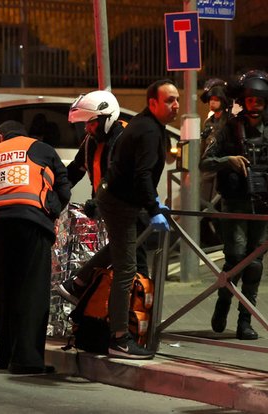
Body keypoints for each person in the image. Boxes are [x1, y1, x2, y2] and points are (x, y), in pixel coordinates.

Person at [95, 79, 179, 359]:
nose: (175, 105)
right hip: (120, 204)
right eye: (169, 100)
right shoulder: (149, 131)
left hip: (115, 199)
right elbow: (142, 174)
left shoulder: (146, 124)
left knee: (121, 248)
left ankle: (78, 283)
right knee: (126, 271)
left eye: (177, 99)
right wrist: (153, 209)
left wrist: (152, 203)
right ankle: (119, 339)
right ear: (153, 102)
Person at [0, 120, 70, 374]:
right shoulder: (42, 148)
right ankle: (27, 360)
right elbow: (63, 187)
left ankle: (5, 355)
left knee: (3, 290)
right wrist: (50, 211)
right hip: (31, 222)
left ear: (0, 136)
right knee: (32, 291)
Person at [56, 90, 150, 304]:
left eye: (91, 123)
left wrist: (100, 200)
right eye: (86, 124)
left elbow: (124, 176)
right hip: (110, 210)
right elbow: (75, 170)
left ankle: (138, 313)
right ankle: (118, 313)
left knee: (133, 260)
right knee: (124, 258)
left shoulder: (126, 138)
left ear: (107, 117)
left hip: (131, 208)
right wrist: (56, 193)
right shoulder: (91, 141)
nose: (87, 128)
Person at [199, 70, 268, 341]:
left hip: (263, 207)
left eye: (260, 100)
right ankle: (223, 301)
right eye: (251, 100)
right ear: (244, 101)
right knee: (237, 259)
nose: (255, 105)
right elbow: (205, 162)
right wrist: (229, 160)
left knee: (255, 264)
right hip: (235, 204)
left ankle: (244, 321)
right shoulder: (230, 128)